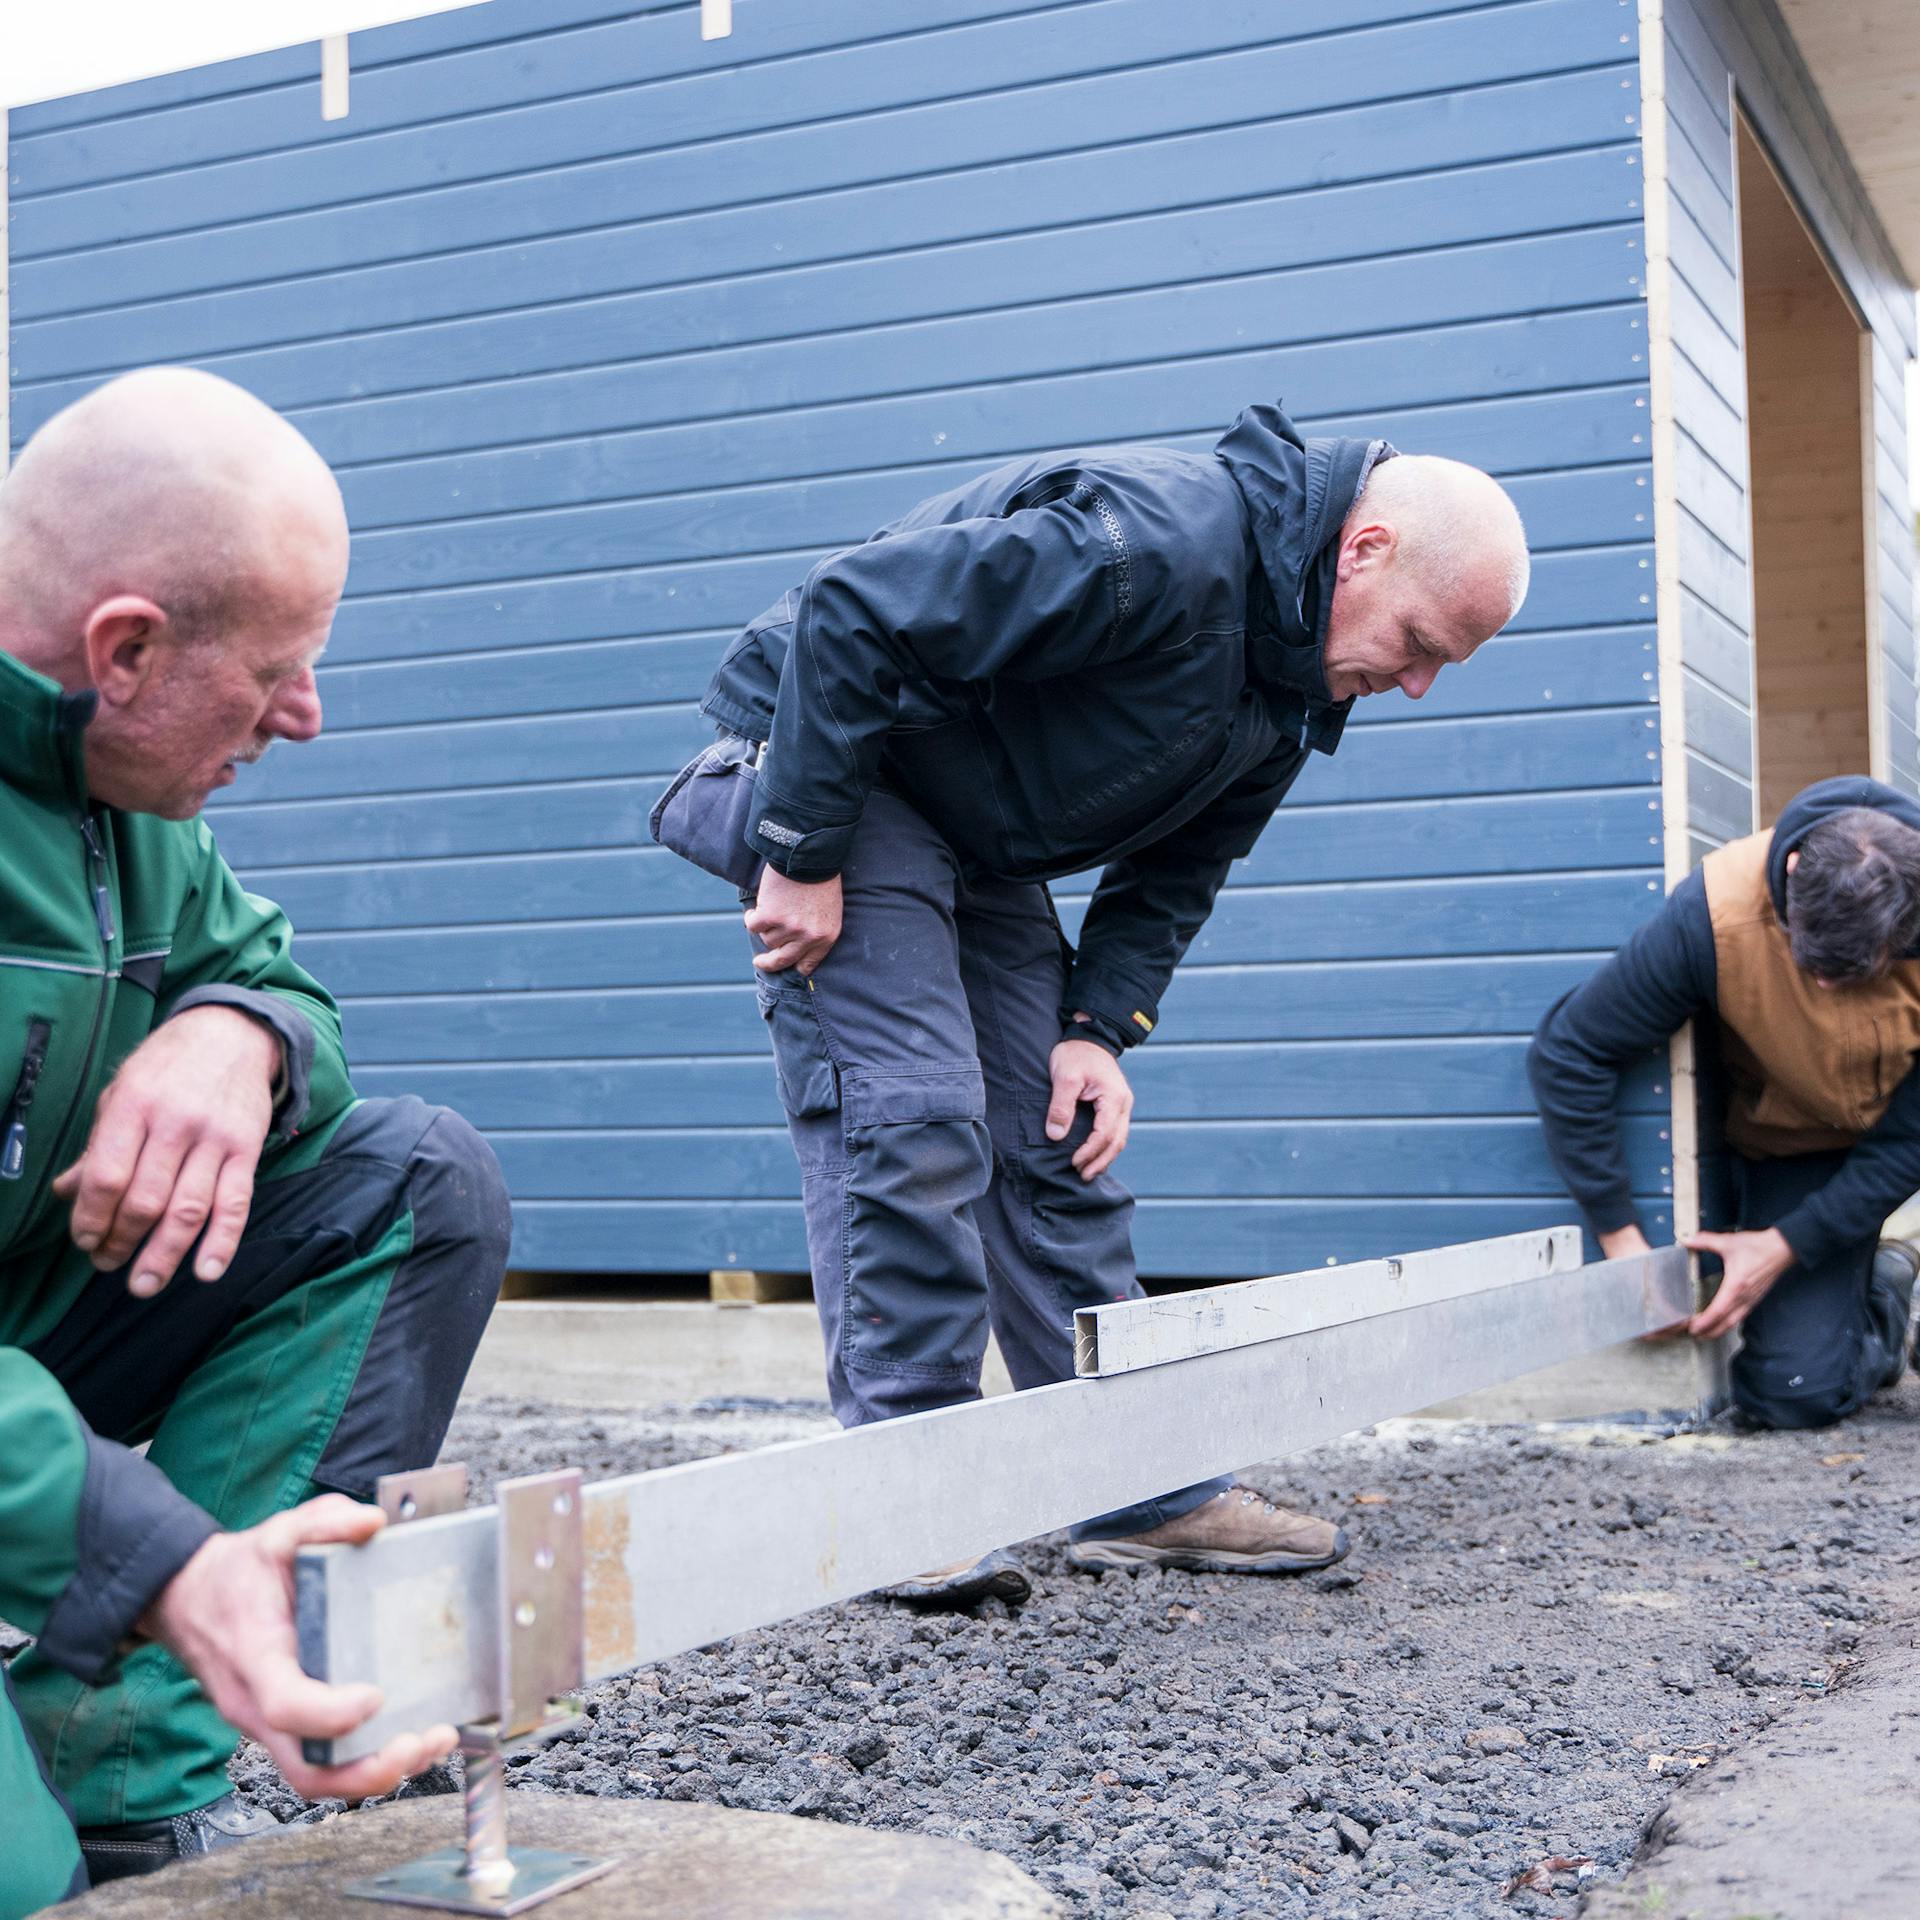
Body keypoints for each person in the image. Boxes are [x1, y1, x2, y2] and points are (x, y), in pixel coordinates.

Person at [660, 401, 1529, 1603]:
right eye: (1422, 643)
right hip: (838, 766)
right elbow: (858, 609)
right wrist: (804, 847)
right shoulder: (1157, 542)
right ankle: (903, 1498)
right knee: (913, 1111)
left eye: (1443, 668)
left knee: (1058, 1142)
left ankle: (1136, 1486)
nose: (1420, 685)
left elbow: (1179, 872)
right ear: (1366, 552)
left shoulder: (1290, 685)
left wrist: (1094, 1030)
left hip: (972, 837)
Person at [0, 368, 512, 1915]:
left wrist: (244, 1038)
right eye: (278, 672)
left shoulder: (129, 801)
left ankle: (115, 1772)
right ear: (128, 648)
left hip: (26, 1347)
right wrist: (156, 1549)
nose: (307, 715)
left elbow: (279, 972)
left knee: (414, 1181)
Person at [1529, 776, 1920, 1430]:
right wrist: (1623, 1243)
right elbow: (1571, 1051)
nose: (1824, 982)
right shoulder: (1713, 913)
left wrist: (1785, 1245)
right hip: (1805, 1144)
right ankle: (1883, 1291)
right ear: (1792, 872)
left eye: (1853, 969)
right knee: (1789, 1393)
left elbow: (1910, 1142)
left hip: (1904, 1134)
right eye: (1811, 960)